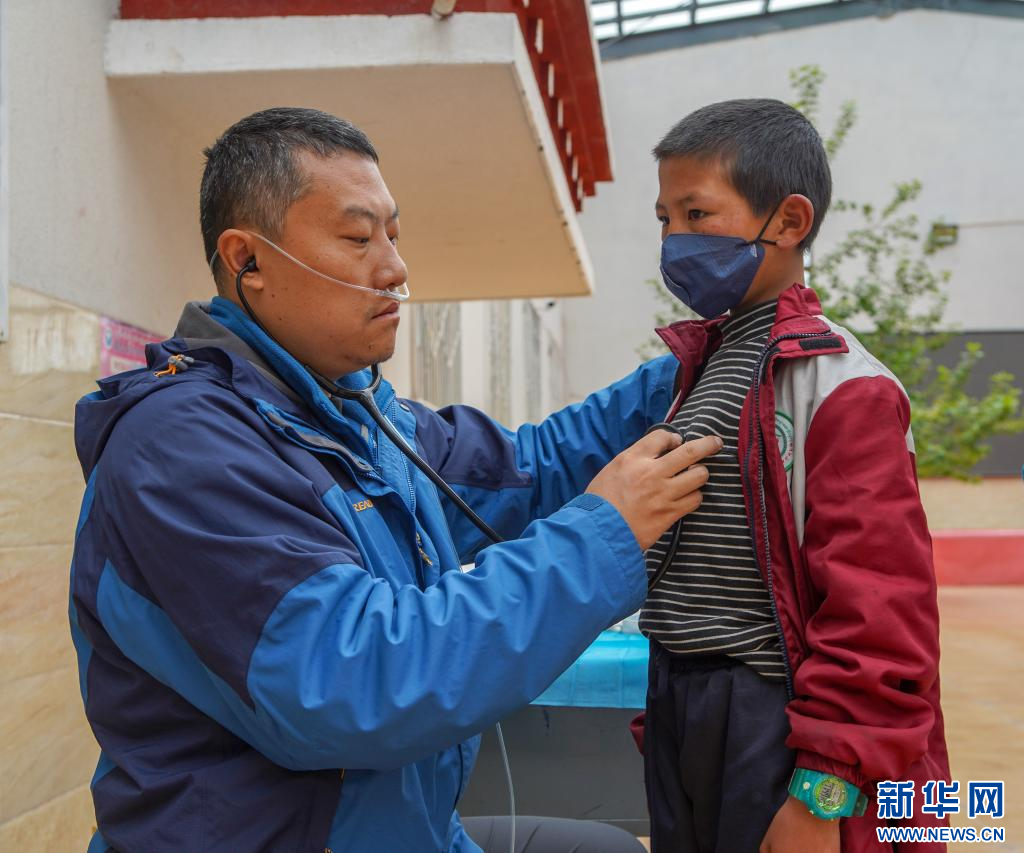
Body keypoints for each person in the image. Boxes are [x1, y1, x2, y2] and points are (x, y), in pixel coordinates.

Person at [68, 107, 719, 853]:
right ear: (247, 260)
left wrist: (695, 364)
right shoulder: (183, 450)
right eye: (357, 238)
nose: (395, 269)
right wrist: (605, 534)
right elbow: (363, 680)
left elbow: (528, 469)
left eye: (394, 235)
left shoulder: (357, 415)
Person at [638, 99, 951, 852]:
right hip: (685, 702)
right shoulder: (699, 372)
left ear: (788, 221)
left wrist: (823, 791)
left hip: (773, 721)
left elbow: (881, 616)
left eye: (696, 213)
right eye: (664, 218)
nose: (674, 239)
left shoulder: (845, 388)